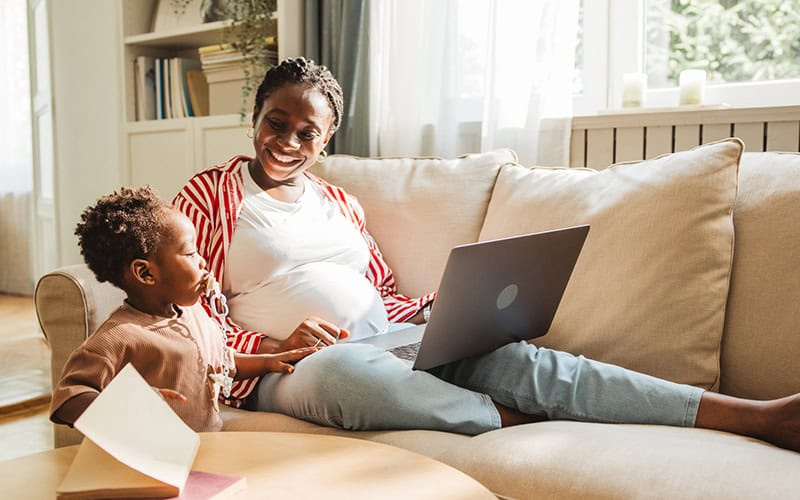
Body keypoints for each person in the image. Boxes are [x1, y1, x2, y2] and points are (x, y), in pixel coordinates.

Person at [173, 57, 800, 451]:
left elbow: (382, 289)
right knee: (347, 376)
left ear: (327, 137)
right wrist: (275, 348)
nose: (286, 140)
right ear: (255, 115)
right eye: (275, 122)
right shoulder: (209, 195)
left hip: (389, 339)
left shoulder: (340, 201)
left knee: (526, 361)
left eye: (305, 132)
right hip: (289, 370)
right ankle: (534, 425)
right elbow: (191, 321)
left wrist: (441, 312)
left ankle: (753, 415)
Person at [50, 186, 318, 431]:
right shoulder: (119, 336)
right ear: (146, 273)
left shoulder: (194, 314)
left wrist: (267, 362)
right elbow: (69, 399)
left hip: (208, 444)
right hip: (155, 459)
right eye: (190, 254)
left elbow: (221, 363)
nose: (203, 263)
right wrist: (127, 405)